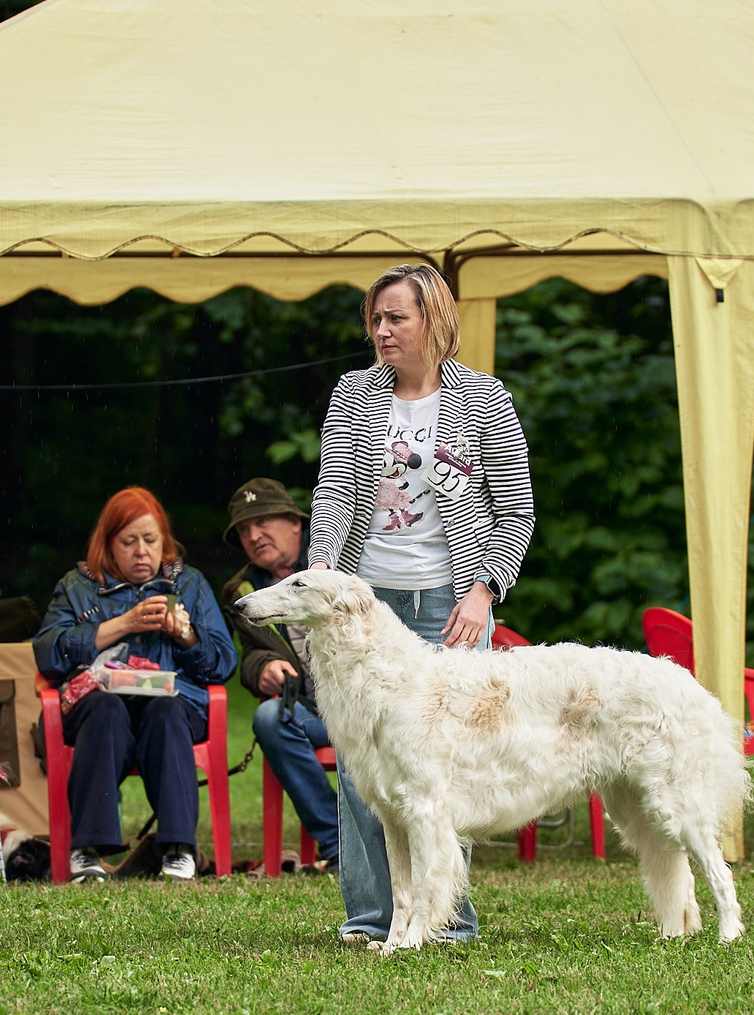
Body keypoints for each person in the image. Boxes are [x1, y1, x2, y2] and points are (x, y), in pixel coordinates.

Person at [307, 262, 533, 944]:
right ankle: (373, 914)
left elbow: (515, 511)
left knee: (445, 763)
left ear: (433, 321)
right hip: (364, 607)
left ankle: (444, 920)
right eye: (374, 319)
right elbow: (334, 494)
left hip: (451, 601)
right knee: (362, 764)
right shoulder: (353, 394)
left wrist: (482, 589)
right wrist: (322, 567)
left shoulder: (484, 399)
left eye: (395, 318)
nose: (381, 331)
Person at [34, 487, 237, 882]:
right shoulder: (77, 586)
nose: (141, 552)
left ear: (165, 541)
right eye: (129, 542)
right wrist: (121, 625)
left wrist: (187, 637)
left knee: (165, 712)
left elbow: (222, 662)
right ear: (109, 545)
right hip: (98, 706)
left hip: (173, 704)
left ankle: (178, 848)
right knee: (106, 709)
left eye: (150, 540)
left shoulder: (189, 585)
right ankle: (88, 851)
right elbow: (48, 653)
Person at [217, 476, 337, 870]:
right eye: (245, 530)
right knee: (270, 716)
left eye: (264, 521)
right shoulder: (243, 590)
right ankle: (340, 845)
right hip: (312, 710)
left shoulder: (339, 561)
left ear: (296, 523)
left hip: (370, 703)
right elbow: (249, 655)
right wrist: (263, 668)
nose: (255, 535)